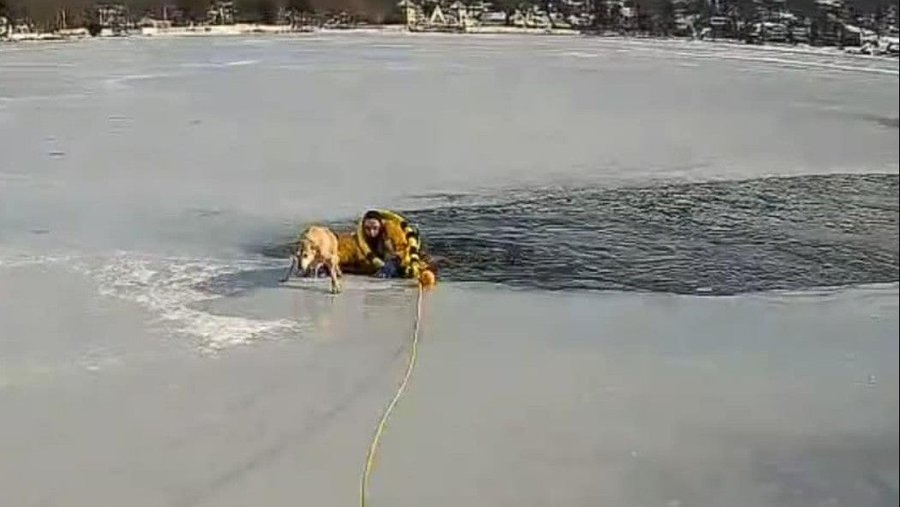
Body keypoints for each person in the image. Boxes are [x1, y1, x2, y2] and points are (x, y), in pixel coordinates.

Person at [338, 209, 427, 280]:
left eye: (375, 228)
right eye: (367, 229)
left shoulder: (393, 232)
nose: (372, 232)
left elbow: (403, 251)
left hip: (398, 262)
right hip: (377, 266)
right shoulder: (358, 240)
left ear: (381, 225)